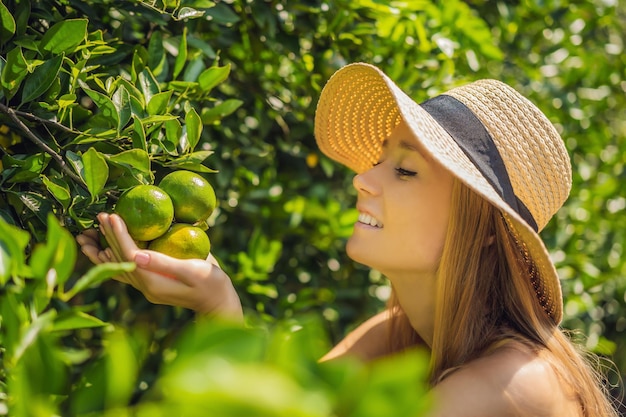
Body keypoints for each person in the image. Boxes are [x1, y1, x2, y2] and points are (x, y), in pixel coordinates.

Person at [77, 62, 619, 416]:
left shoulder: (497, 391)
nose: (363, 178)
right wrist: (213, 298)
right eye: (380, 159)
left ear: (478, 229)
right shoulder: (402, 336)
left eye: (404, 171)